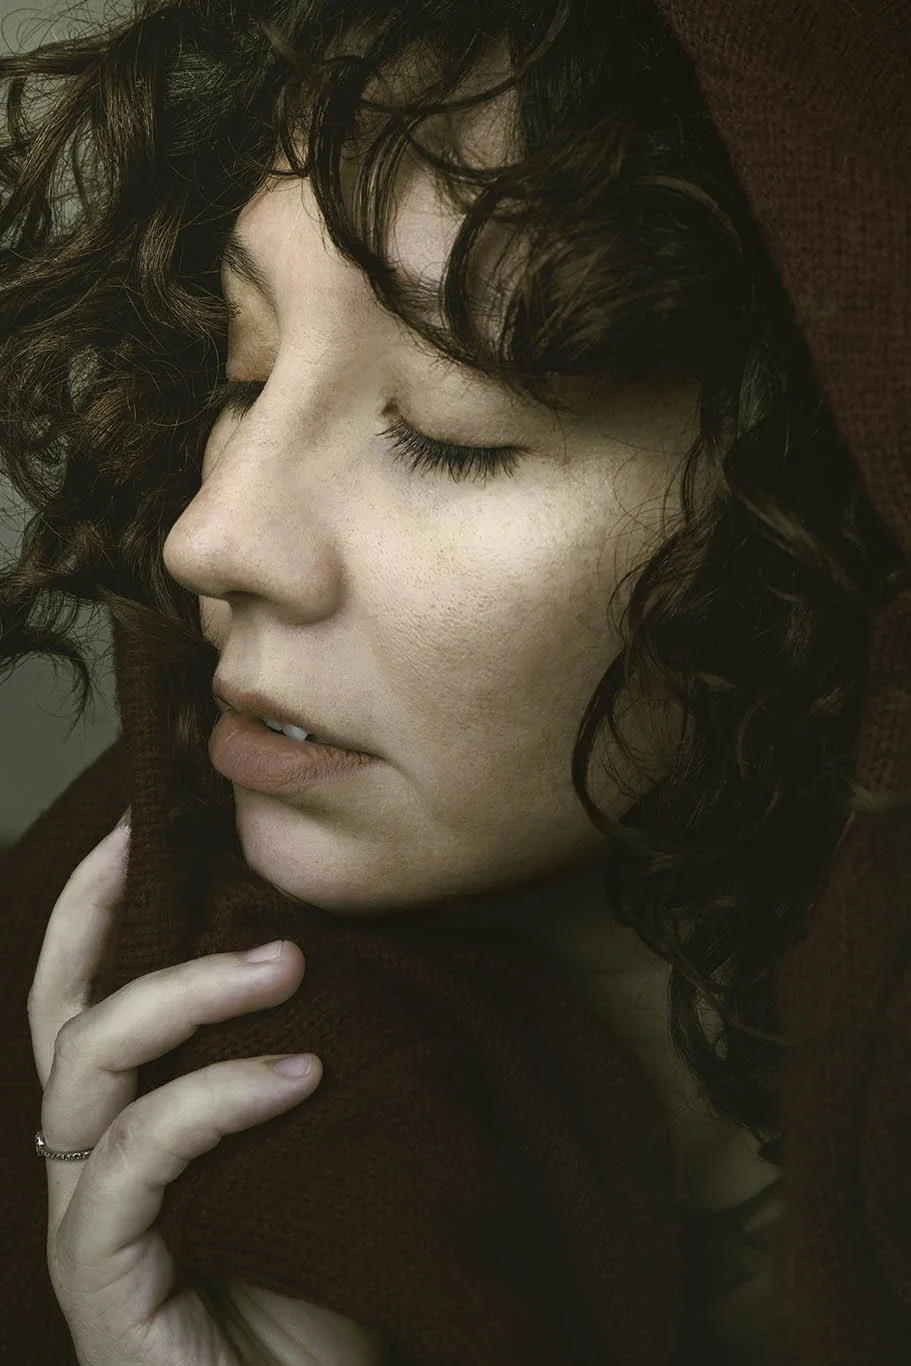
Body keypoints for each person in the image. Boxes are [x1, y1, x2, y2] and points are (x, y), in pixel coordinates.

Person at [1, 2, 909, 1364]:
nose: (212, 536)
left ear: (815, 517)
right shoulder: (87, 979)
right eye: (243, 371)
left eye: (448, 435)